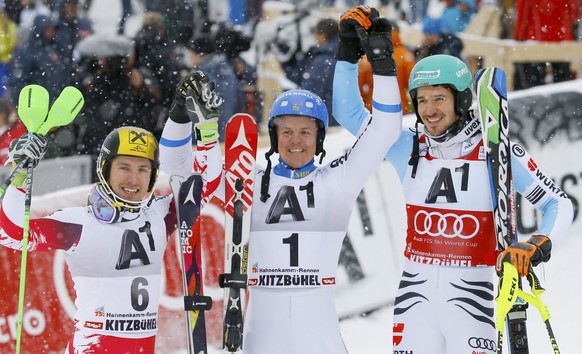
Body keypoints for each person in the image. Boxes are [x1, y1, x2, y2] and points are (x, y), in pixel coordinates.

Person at [159, 6, 403, 353]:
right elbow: (178, 167)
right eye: (286, 132)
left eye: (305, 132)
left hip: (321, 340)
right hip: (262, 340)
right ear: (273, 137)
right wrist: (179, 116)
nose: (295, 141)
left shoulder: (338, 180)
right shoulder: (248, 182)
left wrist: (379, 61)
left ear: (320, 138)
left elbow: (385, 130)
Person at [333, 51, 574, 352]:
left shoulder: (496, 151)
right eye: (421, 100)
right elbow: (349, 114)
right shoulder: (406, 147)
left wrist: (538, 243)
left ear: (461, 100)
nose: (429, 110)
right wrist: (347, 53)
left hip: (475, 306)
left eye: (439, 98)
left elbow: (559, 203)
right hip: (415, 304)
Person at [0, 75, 223, 353]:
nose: (133, 179)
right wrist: (20, 173)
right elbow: (11, 233)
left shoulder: (159, 215)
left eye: (143, 170)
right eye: (124, 168)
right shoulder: (79, 223)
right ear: (105, 170)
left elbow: (205, 184)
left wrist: (194, 126)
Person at [282, 18, 339, 125]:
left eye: (316, 34)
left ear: (322, 35)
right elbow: (300, 76)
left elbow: (309, 93)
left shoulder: (323, 61)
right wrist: (288, 63)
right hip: (337, 118)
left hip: (325, 120)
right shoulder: (338, 55)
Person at [513, 0, 579, 89]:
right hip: (562, 41)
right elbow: (574, 14)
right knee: (563, 84)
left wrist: (519, 37)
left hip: (536, 41)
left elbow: (523, 16)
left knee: (534, 86)